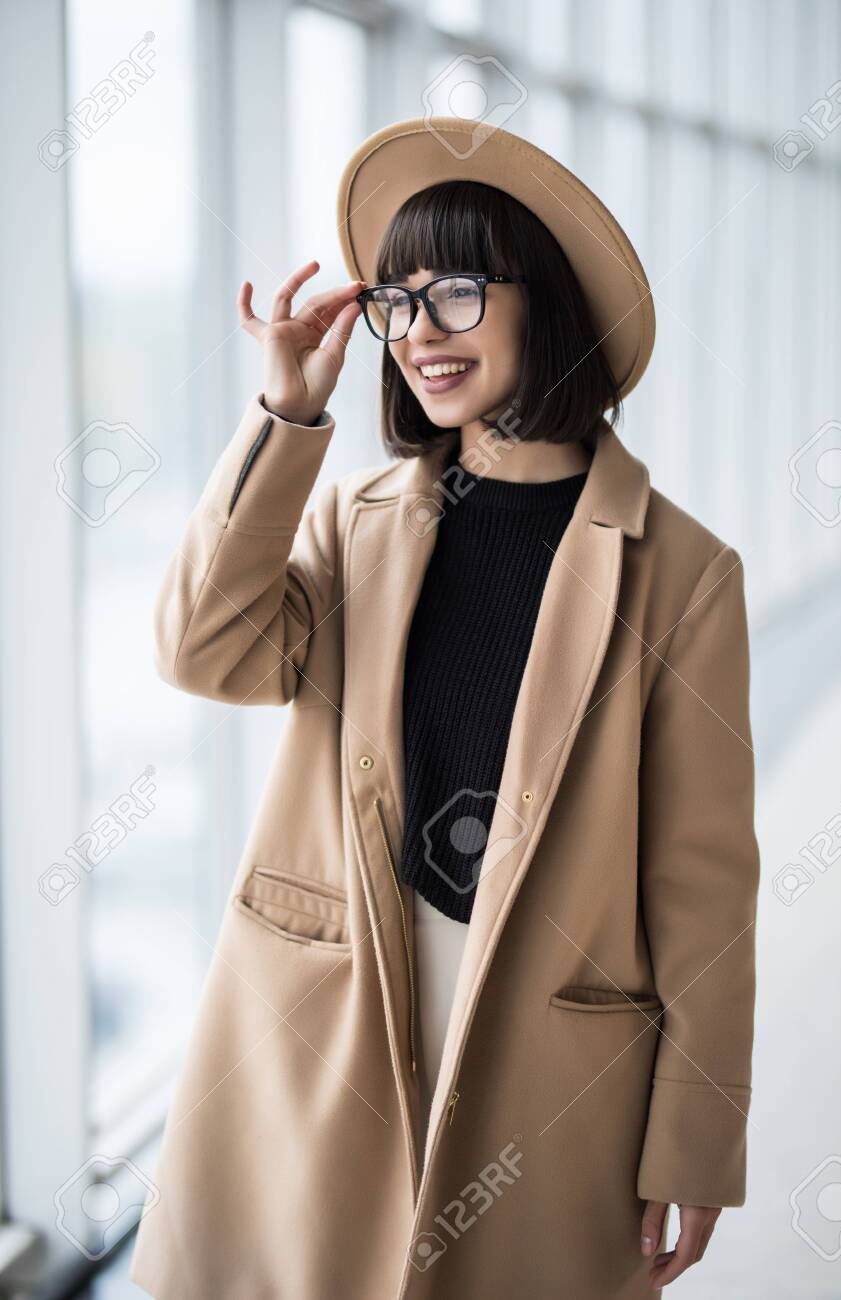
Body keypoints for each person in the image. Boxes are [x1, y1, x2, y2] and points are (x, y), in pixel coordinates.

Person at [130, 117, 759, 1300]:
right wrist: (286, 417)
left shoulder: (681, 570)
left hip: (547, 1039)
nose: (419, 332)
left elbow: (702, 877)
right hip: (331, 1006)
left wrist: (694, 1132)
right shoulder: (351, 518)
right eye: (397, 301)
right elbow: (202, 652)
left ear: (549, 301)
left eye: (457, 291)